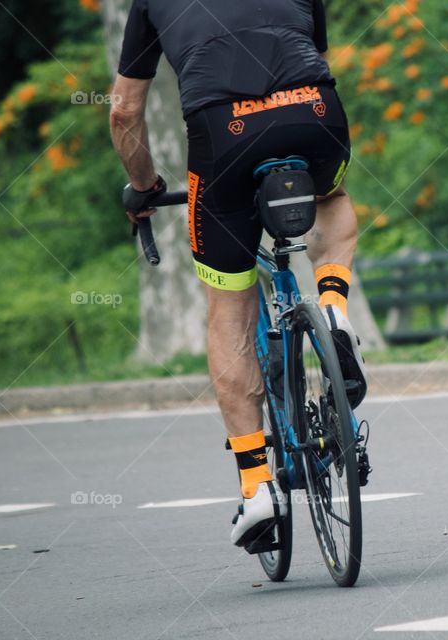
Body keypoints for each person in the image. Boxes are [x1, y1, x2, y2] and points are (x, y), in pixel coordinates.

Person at [110, 0, 368, 549]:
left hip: (224, 134)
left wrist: (146, 186)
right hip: (314, 112)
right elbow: (314, 59)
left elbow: (124, 111)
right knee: (332, 197)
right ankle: (334, 308)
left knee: (228, 305)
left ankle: (257, 488)